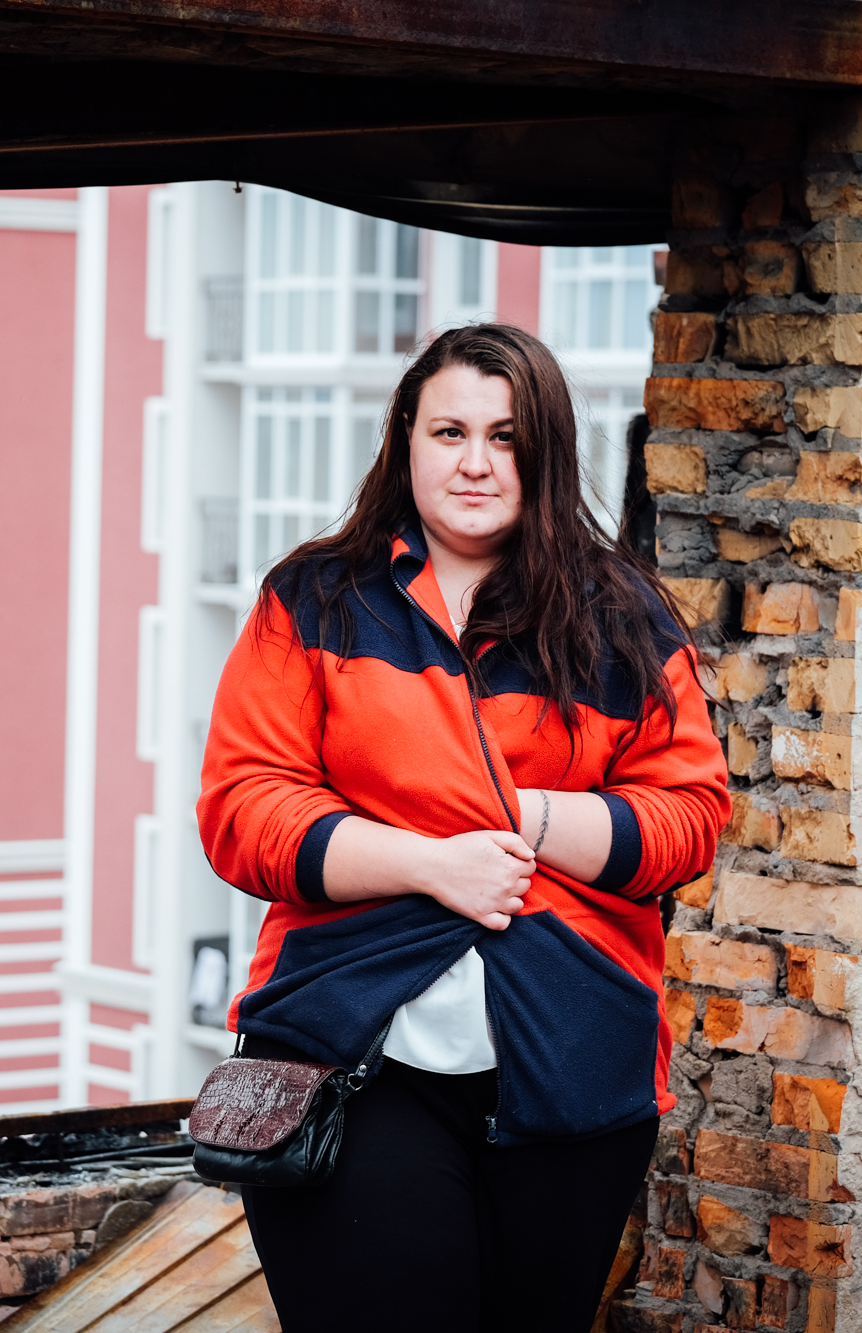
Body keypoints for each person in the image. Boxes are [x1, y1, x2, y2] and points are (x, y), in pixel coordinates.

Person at [196, 323, 730, 1331]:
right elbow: (243, 810)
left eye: (505, 436)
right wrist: (429, 863)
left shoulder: (624, 619)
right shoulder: (313, 600)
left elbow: (686, 819)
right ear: (406, 436)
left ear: (546, 450)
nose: (475, 462)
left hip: (577, 1061)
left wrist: (525, 817)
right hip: (345, 1049)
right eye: (449, 431)